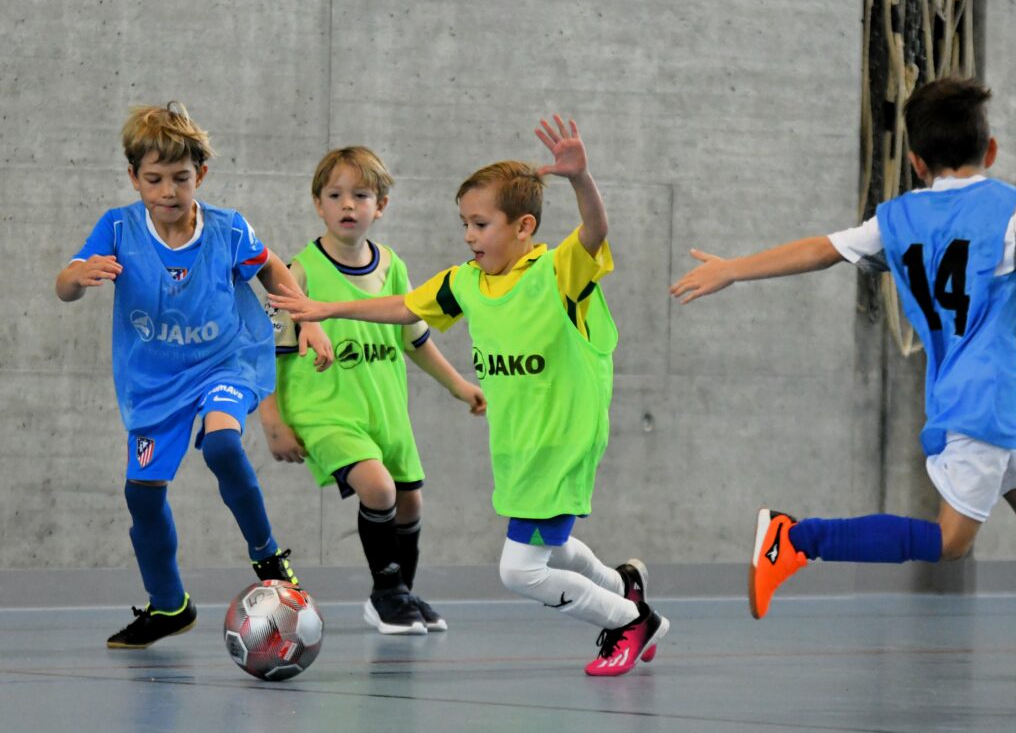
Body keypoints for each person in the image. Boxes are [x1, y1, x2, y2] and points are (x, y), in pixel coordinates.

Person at [269, 115, 669, 676]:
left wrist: (581, 179)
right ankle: (623, 584)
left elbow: (595, 232)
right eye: (465, 224)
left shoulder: (558, 272)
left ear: (524, 226)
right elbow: (403, 307)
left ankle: (628, 619)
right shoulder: (467, 282)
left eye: (480, 224)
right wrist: (327, 308)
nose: (468, 236)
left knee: (520, 570)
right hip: (518, 444)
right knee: (552, 545)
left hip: (562, 440)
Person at [671, 77, 1016, 619]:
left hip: (979, 396)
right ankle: (795, 538)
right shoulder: (1011, 211)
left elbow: (822, 249)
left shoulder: (898, 220)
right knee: (951, 541)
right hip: (988, 400)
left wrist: (734, 268)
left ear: (915, 162)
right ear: (991, 149)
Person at [55, 102, 334, 648]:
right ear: (134, 178)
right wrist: (78, 276)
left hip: (225, 362)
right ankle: (169, 606)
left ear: (199, 175)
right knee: (142, 496)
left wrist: (309, 321)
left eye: (180, 178)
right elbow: (64, 284)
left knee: (222, 443)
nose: (168, 191)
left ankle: (268, 558)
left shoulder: (227, 228)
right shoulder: (118, 227)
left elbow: (271, 267)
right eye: (154, 179)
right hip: (154, 383)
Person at [259, 145, 486, 635]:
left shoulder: (393, 267)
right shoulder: (299, 272)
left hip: (386, 413)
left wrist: (459, 385)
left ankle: (402, 591)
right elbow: (264, 349)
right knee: (378, 488)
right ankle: (386, 595)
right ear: (318, 204)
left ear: (380, 205)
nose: (348, 204)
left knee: (410, 502)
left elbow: (415, 339)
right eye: (335, 195)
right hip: (325, 411)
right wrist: (272, 421)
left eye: (360, 195)